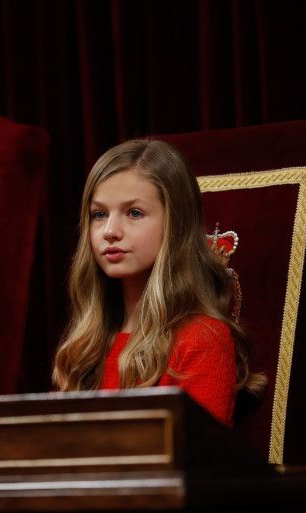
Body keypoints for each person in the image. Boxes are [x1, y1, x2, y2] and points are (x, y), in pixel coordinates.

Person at [52, 139, 264, 427]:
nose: (110, 231)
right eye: (99, 214)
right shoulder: (85, 346)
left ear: (175, 225)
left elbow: (198, 464)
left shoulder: (201, 340)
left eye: (134, 213)